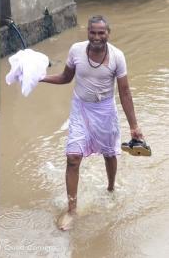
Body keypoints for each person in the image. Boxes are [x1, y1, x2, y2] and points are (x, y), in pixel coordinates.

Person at [40, 15, 144, 230]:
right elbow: (65, 78)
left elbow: (124, 92)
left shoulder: (117, 57)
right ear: (87, 32)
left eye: (101, 33)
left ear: (108, 33)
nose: (96, 37)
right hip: (81, 109)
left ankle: (111, 188)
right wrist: (40, 77)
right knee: (73, 157)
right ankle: (71, 210)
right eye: (92, 32)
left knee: (109, 154)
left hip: (105, 110)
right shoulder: (76, 50)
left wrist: (134, 126)